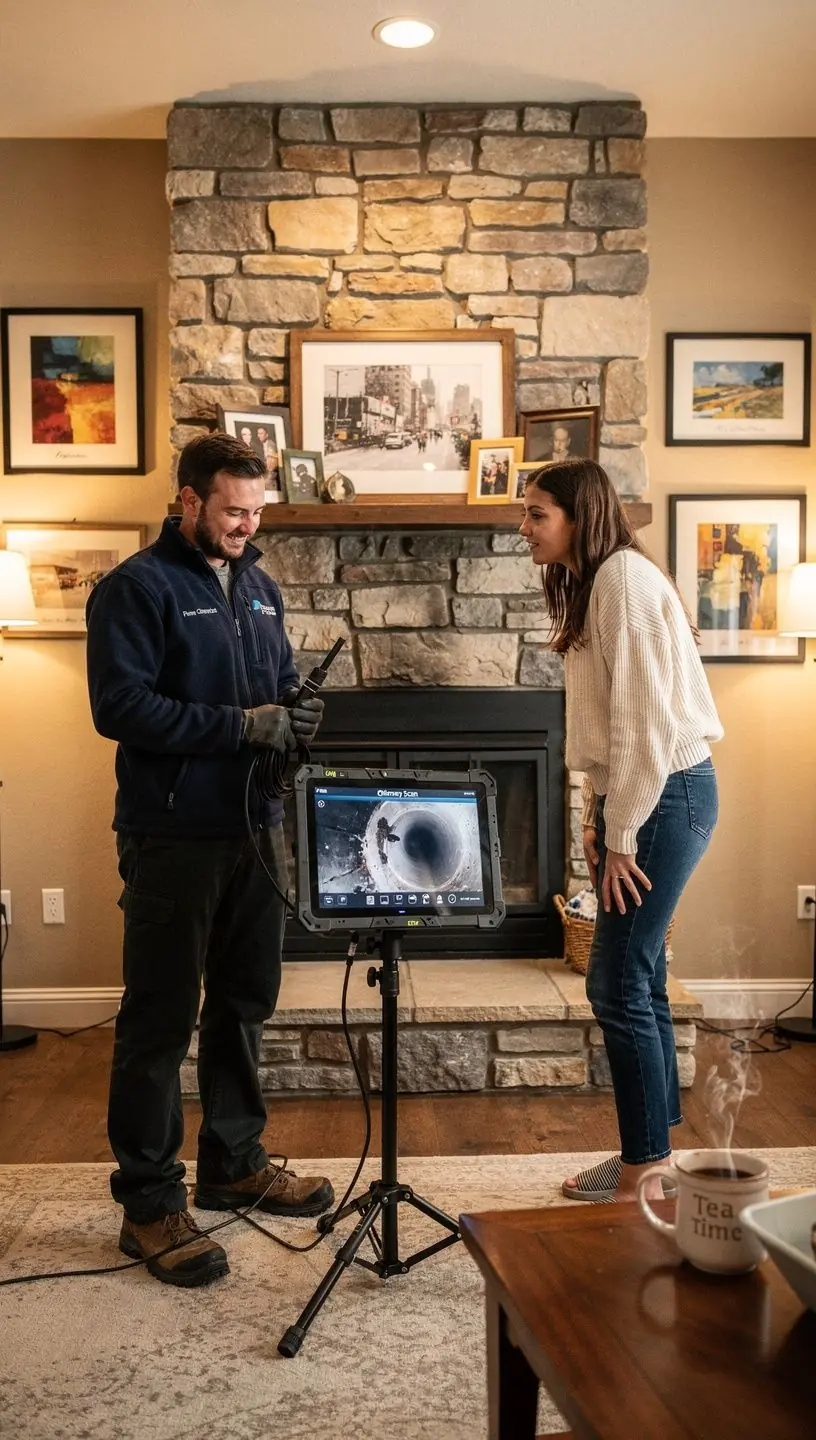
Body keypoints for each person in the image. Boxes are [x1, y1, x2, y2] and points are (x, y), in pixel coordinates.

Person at [86, 432, 334, 1288]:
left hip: (254, 830)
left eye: (257, 511)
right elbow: (120, 707)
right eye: (233, 511)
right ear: (186, 500)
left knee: (243, 1002)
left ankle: (232, 1164)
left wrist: (296, 715)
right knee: (158, 1021)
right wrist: (240, 726)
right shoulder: (134, 588)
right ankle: (150, 1205)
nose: (246, 525)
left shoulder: (261, 588)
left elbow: (279, 680)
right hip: (172, 836)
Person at [519, 458, 723, 1204]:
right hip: (647, 795)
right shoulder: (596, 581)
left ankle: (644, 1167)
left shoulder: (624, 584)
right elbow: (604, 731)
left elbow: (645, 730)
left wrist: (622, 833)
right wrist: (595, 816)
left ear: (581, 515)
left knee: (615, 982)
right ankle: (654, 1154)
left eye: (537, 513)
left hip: (667, 794)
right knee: (638, 980)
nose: (525, 527)